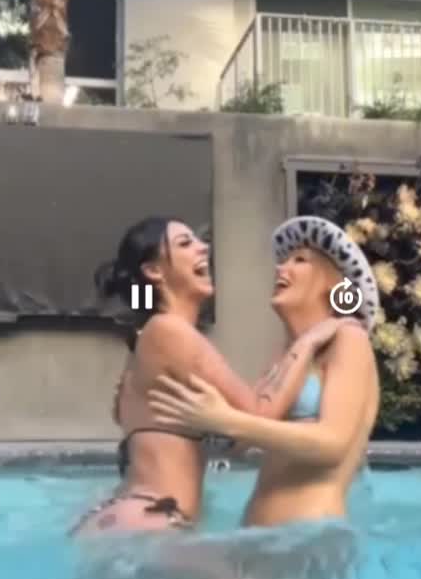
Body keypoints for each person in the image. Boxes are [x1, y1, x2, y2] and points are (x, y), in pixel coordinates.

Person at [71, 215, 341, 537]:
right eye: (185, 243)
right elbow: (260, 414)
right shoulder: (170, 332)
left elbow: (238, 430)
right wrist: (307, 342)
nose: (204, 247)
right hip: (153, 518)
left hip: (131, 514)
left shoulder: (149, 339)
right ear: (154, 271)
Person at [147, 215, 381, 531]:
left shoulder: (349, 339)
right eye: (283, 261)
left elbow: (333, 443)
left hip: (310, 534)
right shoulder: (284, 357)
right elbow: (237, 443)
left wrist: (225, 420)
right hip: (258, 535)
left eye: (300, 261)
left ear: (334, 286)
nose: (281, 269)